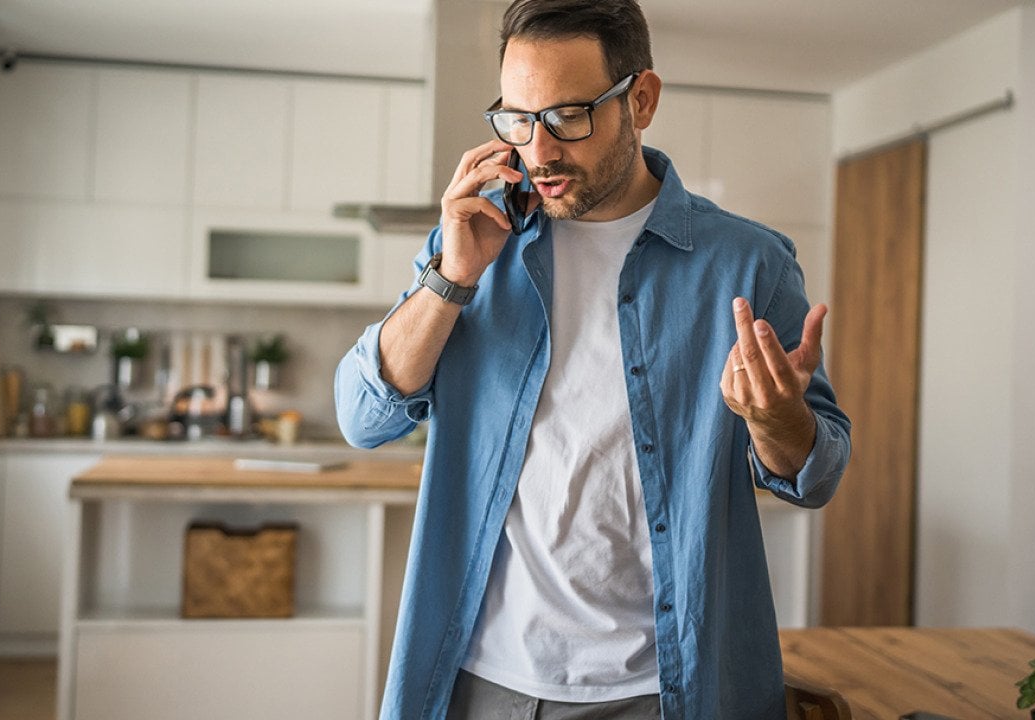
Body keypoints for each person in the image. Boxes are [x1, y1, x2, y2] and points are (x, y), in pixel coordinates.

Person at [335, 1, 851, 717]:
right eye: (517, 118)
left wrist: (776, 419)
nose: (537, 150)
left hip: (666, 690)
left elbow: (817, 472)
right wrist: (450, 279)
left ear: (641, 99)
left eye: (568, 116)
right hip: (484, 681)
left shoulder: (747, 263)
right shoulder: (474, 242)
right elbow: (362, 419)